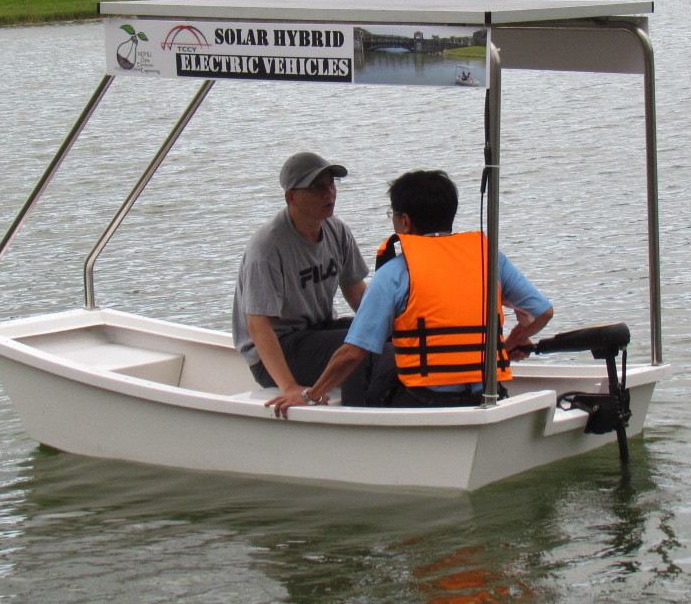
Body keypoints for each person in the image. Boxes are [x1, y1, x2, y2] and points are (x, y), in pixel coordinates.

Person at [267, 169, 552, 418]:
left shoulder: (395, 272)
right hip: (489, 395)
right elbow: (542, 312)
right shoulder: (490, 258)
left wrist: (309, 395)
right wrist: (516, 339)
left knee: (372, 367)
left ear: (405, 222)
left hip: (426, 401)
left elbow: (353, 353)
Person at [233, 150, 375, 406]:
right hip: (275, 353)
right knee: (359, 350)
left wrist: (392, 323)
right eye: (316, 187)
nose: (328, 193)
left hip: (315, 333)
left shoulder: (337, 230)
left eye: (331, 183)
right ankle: (359, 421)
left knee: (383, 335)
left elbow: (357, 292)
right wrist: (289, 387)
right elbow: (258, 326)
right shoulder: (268, 247)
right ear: (292, 197)